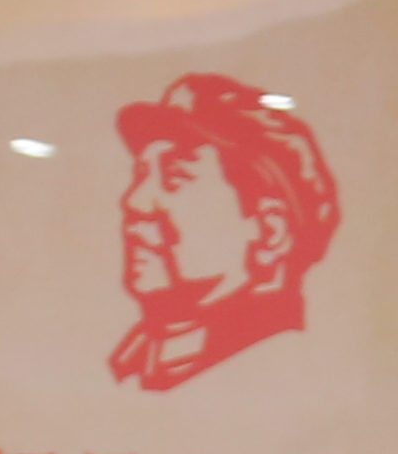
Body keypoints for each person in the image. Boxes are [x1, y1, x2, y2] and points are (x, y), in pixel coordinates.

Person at [108, 73, 339, 392]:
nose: (134, 202)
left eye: (175, 177)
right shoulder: (133, 363)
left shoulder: (279, 377)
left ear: (270, 232)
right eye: (141, 174)